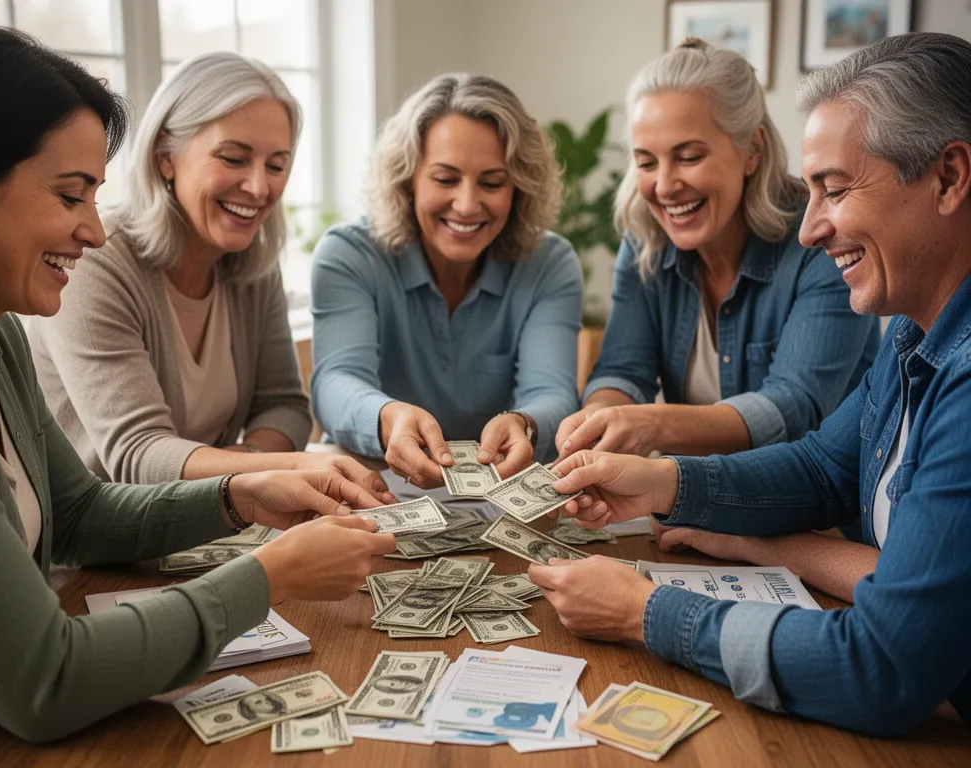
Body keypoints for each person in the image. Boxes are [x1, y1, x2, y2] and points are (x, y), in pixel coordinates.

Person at [0, 28, 395, 742]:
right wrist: (269, 578)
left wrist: (240, 493)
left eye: (94, 194)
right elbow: (47, 681)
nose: (93, 231)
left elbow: (80, 513)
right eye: (70, 196)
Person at [529, 32, 971, 736]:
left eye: (835, 188)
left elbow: (882, 666)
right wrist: (665, 483)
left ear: (949, 178)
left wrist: (645, 613)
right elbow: (827, 463)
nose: (811, 228)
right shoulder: (916, 330)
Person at [27, 51, 390, 501]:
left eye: (276, 165)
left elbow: (286, 408)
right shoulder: (96, 260)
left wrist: (245, 465)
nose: (259, 188)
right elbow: (138, 455)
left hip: (211, 526)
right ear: (165, 155)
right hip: (103, 558)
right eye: (234, 158)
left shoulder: (252, 259)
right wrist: (278, 469)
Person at [555, 39, 879, 461]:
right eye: (647, 163)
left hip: (821, 516)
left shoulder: (818, 238)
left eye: (688, 157)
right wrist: (599, 416)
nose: (665, 186)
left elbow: (793, 407)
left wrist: (651, 424)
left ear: (752, 151)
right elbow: (622, 370)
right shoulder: (644, 239)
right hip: (695, 502)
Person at [310, 73, 582, 489]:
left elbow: (554, 392)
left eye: (492, 183)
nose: (468, 204)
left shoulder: (550, 262)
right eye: (445, 179)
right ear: (408, 180)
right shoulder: (349, 254)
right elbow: (335, 382)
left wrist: (525, 423)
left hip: (498, 491)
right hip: (368, 484)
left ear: (520, 188)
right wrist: (388, 420)